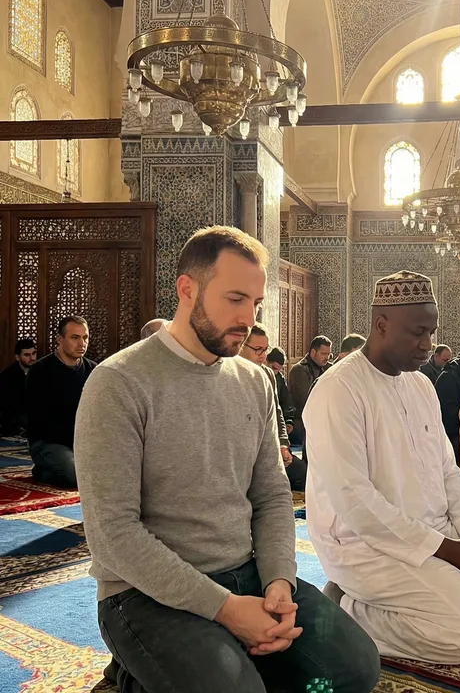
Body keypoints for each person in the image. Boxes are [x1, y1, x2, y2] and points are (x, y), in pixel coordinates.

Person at [74, 226, 379, 693]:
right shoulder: (119, 383)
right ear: (187, 289)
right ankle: (133, 675)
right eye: (234, 299)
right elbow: (113, 535)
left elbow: (273, 496)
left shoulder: (253, 382)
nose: (247, 319)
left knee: (352, 670)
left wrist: (279, 580)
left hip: (248, 576)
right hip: (144, 596)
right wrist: (224, 609)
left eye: (254, 304)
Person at [305, 271, 460, 664]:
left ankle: (446, 597)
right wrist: (452, 553)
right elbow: (356, 503)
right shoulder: (339, 389)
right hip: (364, 546)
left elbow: (448, 470)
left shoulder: (420, 385)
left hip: (442, 532)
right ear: (380, 325)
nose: (427, 345)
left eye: (432, 333)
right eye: (418, 332)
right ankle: (348, 611)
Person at [25, 316, 95, 489]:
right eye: (75, 337)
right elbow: (39, 419)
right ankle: (42, 471)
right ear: (59, 340)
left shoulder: (93, 370)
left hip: (83, 442)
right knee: (74, 476)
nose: (81, 343)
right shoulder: (40, 371)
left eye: (85, 338)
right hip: (49, 442)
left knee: (118, 469)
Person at [240, 324, 307, 491]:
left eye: (265, 350)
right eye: (257, 350)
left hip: (268, 447)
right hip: (243, 451)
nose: (263, 356)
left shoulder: (268, 374)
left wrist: (283, 444)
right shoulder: (230, 374)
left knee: (302, 474)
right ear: (241, 346)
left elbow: (277, 412)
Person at [287, 335, 332, 449]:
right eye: (323, 354)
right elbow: (308, 401)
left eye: (328, 354)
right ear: (313, 352)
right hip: (301, 423)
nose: (326, 358)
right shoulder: (299, 370)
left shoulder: (327, 368)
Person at [0, 338, 37, 437]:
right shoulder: (7, 377)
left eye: (34, 353)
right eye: (27, 355)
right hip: (15, 422)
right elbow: (9, 407)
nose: (32, 358)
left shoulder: (41, 372)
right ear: (17, 357)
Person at [266, 347, 296, 434]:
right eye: (273, 368)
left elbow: (285, 401)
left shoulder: (279, 378)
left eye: (278, 370)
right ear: (266, 361)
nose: (275, 372)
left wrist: (288, 421)